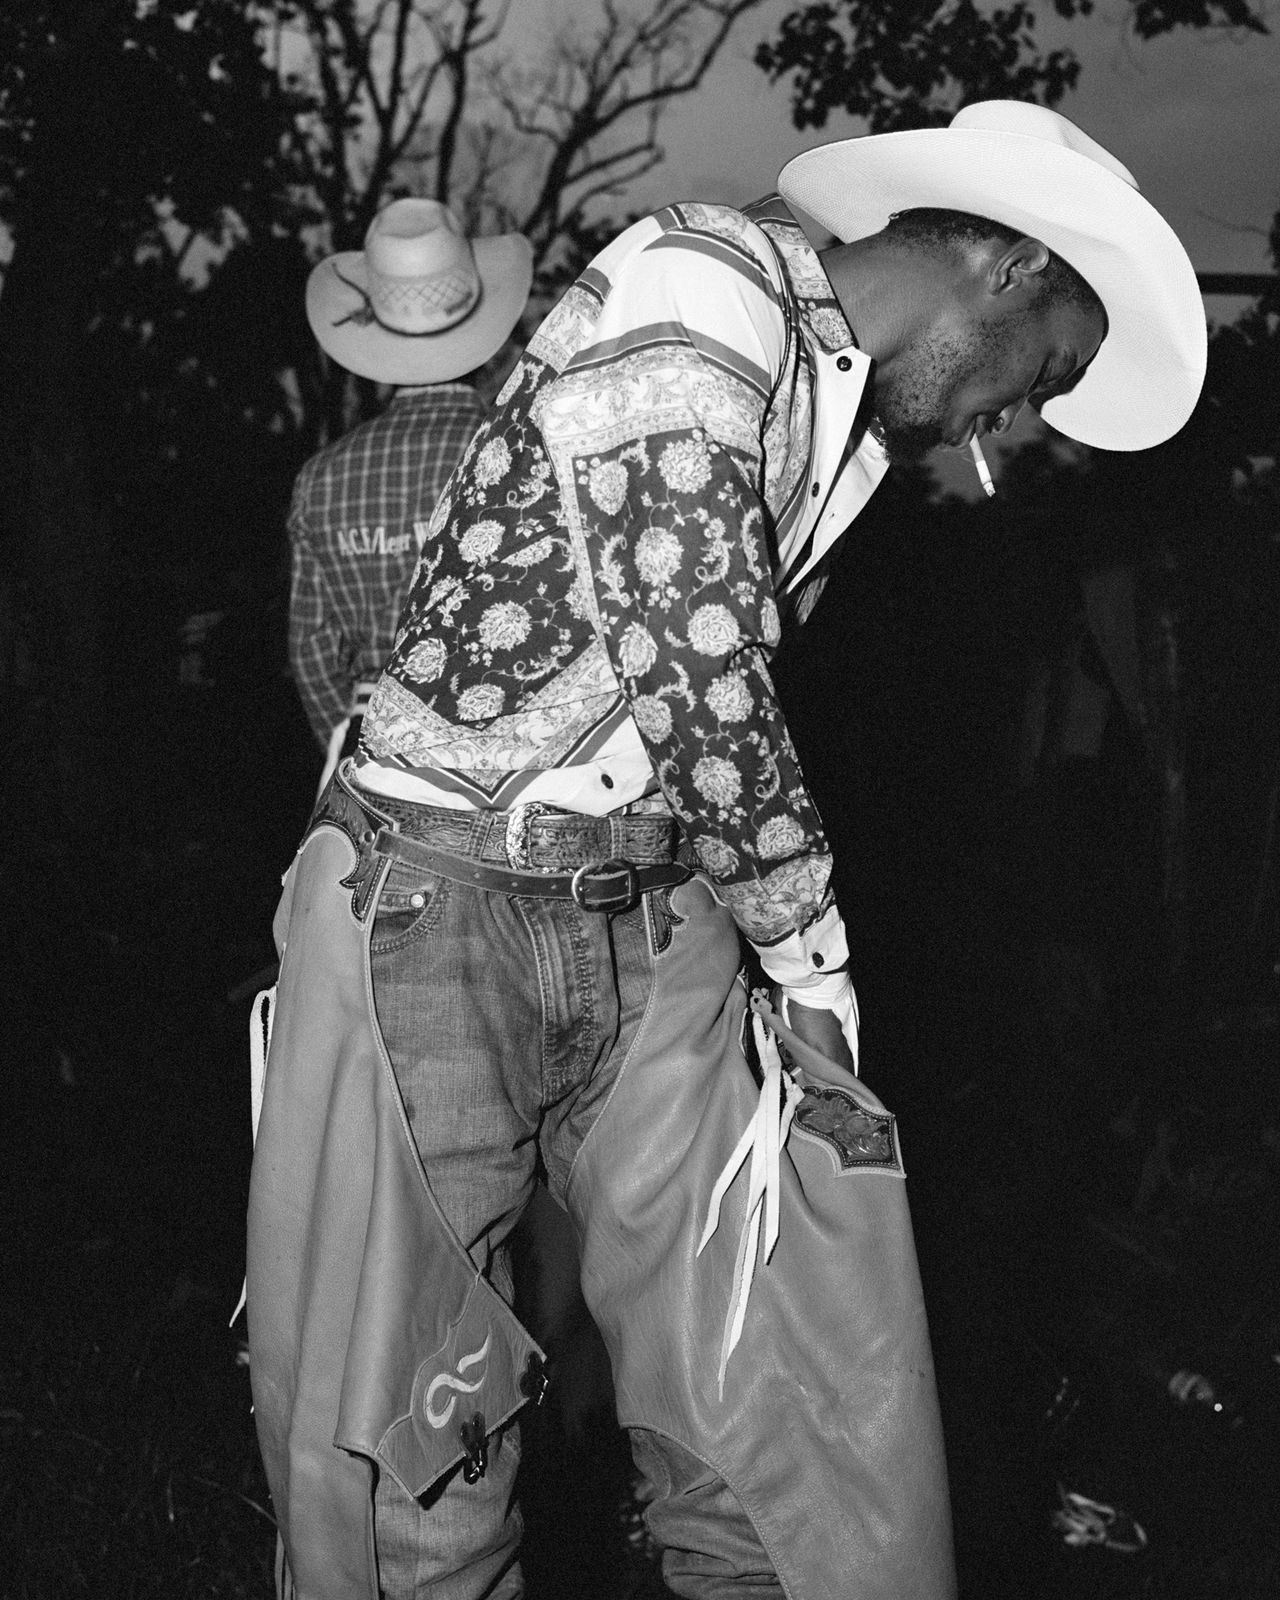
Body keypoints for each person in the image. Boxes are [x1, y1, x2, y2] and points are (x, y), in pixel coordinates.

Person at [245, 101, 1206, 1600]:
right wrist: (814, 971)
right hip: (437, 900)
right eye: (1049, 375)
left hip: (655, 904)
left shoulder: (841, 424)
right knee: (414, 1444)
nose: (1015, 425)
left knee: (770, 1433)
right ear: (1010, 266)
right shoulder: (701, 284)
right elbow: (703, 670)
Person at [286, 198, 533, 792]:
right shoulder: (522, 454)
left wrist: (354, 741)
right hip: (515, 751)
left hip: (373, 756)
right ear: (485, 329)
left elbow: (313, 648)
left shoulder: (322, 477)